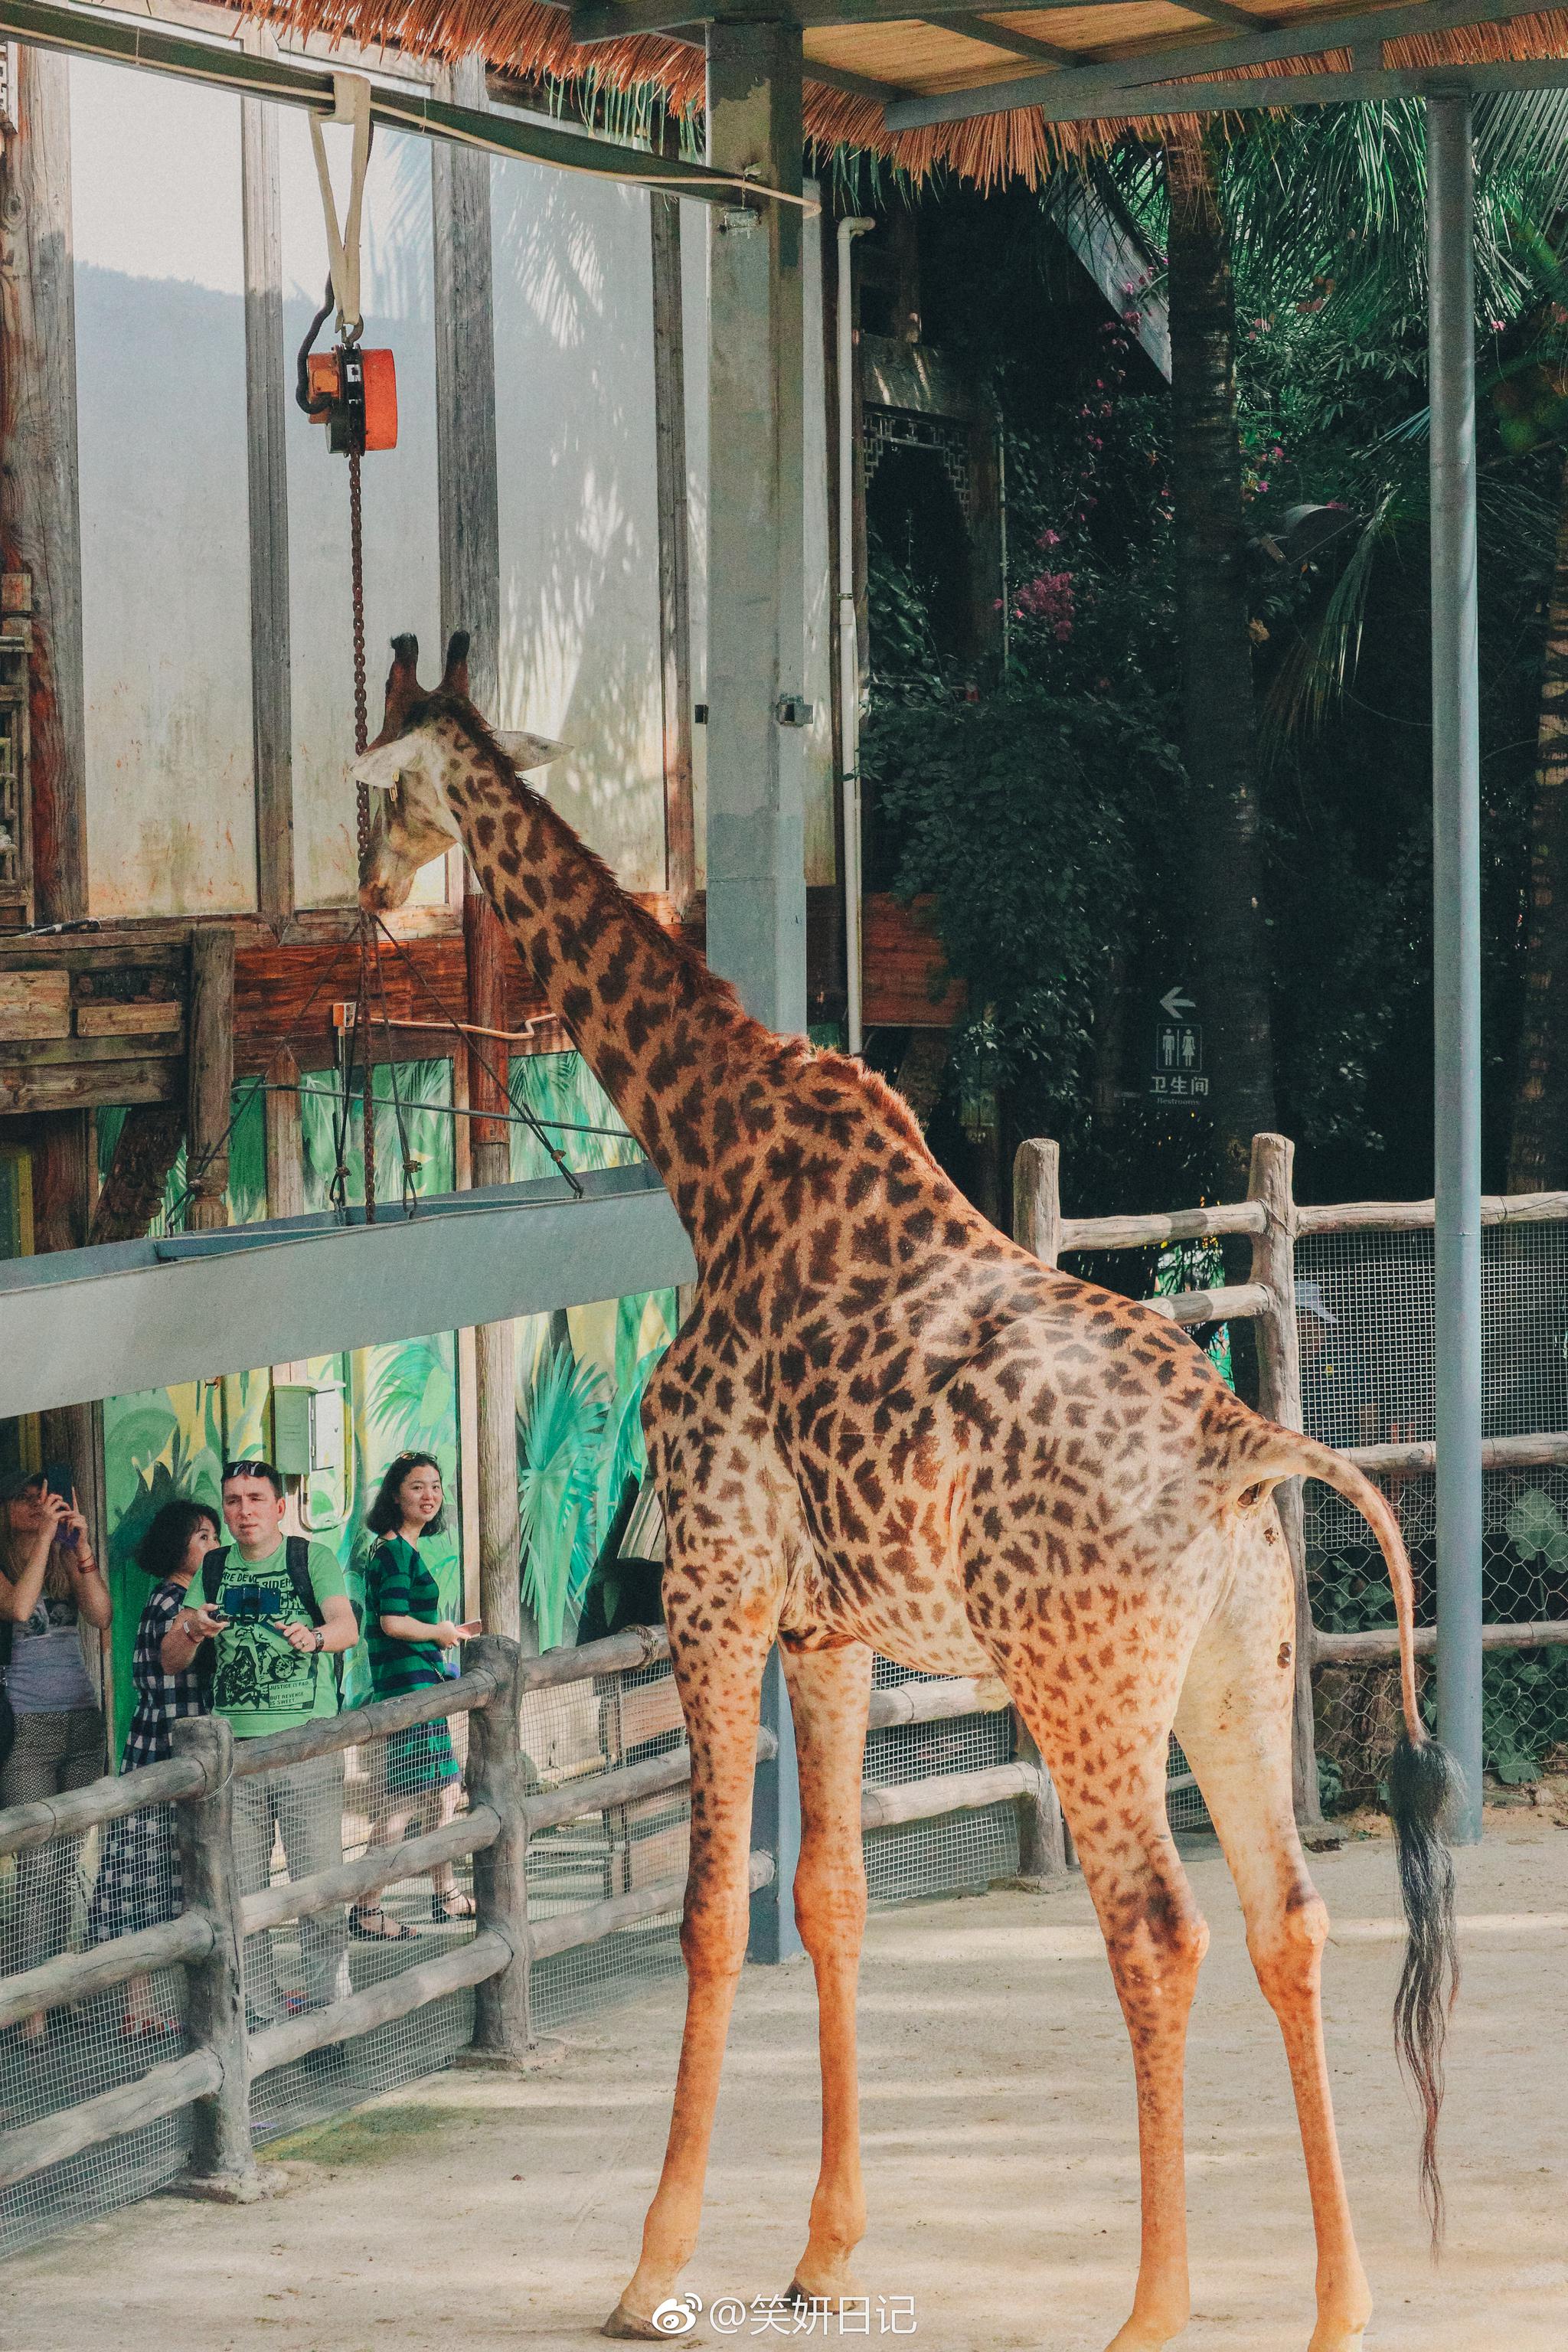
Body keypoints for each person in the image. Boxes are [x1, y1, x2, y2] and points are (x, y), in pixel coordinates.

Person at [161, 1460, 358, 2030]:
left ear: (279, 1507)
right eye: (233, 1500)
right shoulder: (214, 1568)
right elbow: (171, 1659)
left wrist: (314, 1637)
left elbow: (347, 1627)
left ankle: (331, 2016)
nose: (244, 1511)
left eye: (254, 1499)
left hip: (304, 1746)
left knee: (318, 1885)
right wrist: (196, 1627)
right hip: (235, 1756)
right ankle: (262, 2021)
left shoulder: (310, 1559)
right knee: (242, 1894)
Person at [87, 1498, 220, 2033]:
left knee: (151, 1868)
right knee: (145, 1870)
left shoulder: (177, 1598)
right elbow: (169, 1682)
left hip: (157, 1745)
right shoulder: (174, 1603)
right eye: (204, 1537)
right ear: (179, 1547)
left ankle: (141, 2003)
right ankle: (136, 2005)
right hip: (163, 1749)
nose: (213, 1545)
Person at [1, 1465, 113, 2043]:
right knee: (34, 1865)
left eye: (45, 1502)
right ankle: (27, 2004)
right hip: (27, 1729)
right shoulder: (5, 1560)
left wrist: (83, 1550)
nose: (35, 1508)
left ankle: (57, 1988)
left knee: (69, 1864)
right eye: (24, 1500)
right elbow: (19, 1610)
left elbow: (101, 1615)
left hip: (81, 1723)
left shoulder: (67, 1559)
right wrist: (45, 1537)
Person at [355, 1454, 474, 1938]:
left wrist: (438, 1650)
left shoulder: (402, 1550)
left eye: (436, 1487)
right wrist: (440, 1632)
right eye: (417, 1487)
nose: (429, 1496)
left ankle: (444, 1893)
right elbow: (392, 1622)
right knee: (403, 1801)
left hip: (419, 1683)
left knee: (440, 1792)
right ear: (395, 1496)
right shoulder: (394, 1553)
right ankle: (367, 1906)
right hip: (408, 1689)